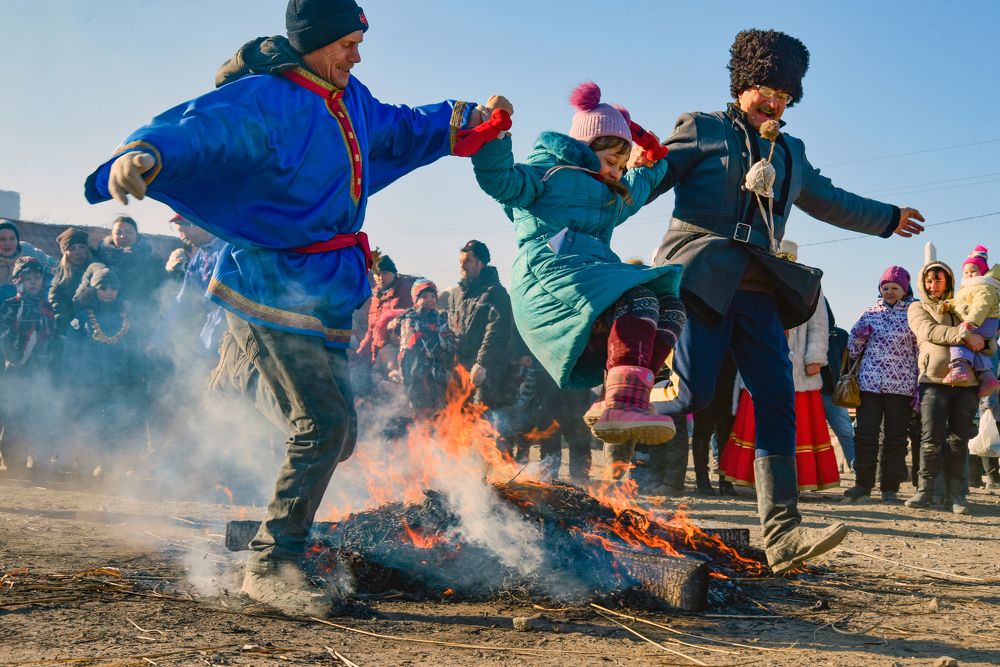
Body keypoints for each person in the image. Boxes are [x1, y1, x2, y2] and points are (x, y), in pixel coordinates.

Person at [83, 0, 509, 616]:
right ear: (311, 42)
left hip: (325, 292)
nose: (356, 55)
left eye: (359, 43)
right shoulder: (265, 97)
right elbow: (199, 126)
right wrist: (145, 153)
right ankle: (273, 561)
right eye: (345, 44)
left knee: (341, 435)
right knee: (322, 424)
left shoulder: (353, 99)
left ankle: (237, 379)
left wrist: (470, 115)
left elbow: (406, 125)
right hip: (265, 287)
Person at [645, 29, 925, 574]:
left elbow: (830, 199)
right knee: (692, 394)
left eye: (785, 95)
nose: (775, 102)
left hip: (759, 290)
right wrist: (600, 193)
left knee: (777, 400)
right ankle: (637, 502)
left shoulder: (791, 151)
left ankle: (782, 535)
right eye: (766, 90)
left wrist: (887, 218)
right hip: (701, 278)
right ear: (742, 85)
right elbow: (647, 175)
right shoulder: (700, 128)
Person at [471, 81, 685, 446]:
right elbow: (500, 180)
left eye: (622, 164)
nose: (617, 172)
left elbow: (641, 185)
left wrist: (648, 164)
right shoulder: (546, 174)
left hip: (588, 275)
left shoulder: (610, 197)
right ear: (585, 148)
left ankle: (623, 398)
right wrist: (495, 130)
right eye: (610, 162)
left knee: (670, 307)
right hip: (548, 272)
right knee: (639, 299)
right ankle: (622, 401)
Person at [719, 241, 839, 493]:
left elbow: (819, 325)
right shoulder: (758, 280)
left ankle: (793, 483)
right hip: (759, 363)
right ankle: (756, 483)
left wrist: (815, 357)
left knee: (798, 427)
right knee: (756, 420)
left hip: (799, 373)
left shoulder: (808, 285)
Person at [905, 244, 993, 514]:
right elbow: (929, 331)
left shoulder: (963, 305)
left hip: (966, 384)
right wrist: (965, 335)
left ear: (949, 281)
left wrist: (986, 343)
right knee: (931, 438)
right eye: (929, 279)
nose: (934, 284)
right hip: (933, 380)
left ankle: (956, 496)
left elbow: (987, 339)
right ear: (923, 282)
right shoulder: (917, 307)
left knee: (958, 440)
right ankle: (925, 491)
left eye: (939, 279)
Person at [841, 266, 919, 503]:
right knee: (865, 435)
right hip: (870, 385)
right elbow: (853, 351)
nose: (889, 292)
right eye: (885, 288)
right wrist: (858, 336)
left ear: (904, 289)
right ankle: (862, 485)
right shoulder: (869, 312)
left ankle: (889, 488)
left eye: (895, 287)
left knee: (895, 437)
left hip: (902, 386)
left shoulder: (915, 312)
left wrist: (919, 384)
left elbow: (920, 349)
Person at [64, 265, 144, 476]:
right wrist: (74, 378)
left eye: (113, 287)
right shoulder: (82, 318)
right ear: (93, 289)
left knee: (117, 423)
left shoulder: (127, 318)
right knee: (90, 422)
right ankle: (87, 462)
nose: (108, 291)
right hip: (89, 382)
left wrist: (136, 378)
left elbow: (136, 353)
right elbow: (70, 352)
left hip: (119, 381)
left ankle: (110, 465)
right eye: (103, 286)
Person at [0, 257, 59, 470]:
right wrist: (15, 357)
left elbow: (54, 338)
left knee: (40, 416)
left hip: (43, 370)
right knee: (15, 416)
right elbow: (3, 336)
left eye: (37, 278)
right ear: (19, 280)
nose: (33, 282)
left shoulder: (50, 307)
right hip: (17, 370)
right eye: (28, 278)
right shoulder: (11, 306)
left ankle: (41, 461)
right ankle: (13, 462)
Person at [940, 245, 1000, 396]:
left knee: (960, 338)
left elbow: (981, 306)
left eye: (973, 271)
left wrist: (971, 323)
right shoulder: (969, 287)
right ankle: (987, 377)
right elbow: (960, 302)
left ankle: (960, 368)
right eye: (966, 272)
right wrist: (948, 304)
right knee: (976, 348)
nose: (969, 275)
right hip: (984, 323)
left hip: (984, 321)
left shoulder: (984, 286)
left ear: (983, 272)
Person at [397, 279, 455, 417]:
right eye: (424, 296)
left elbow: (449, 343)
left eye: (433, 296)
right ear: (415, 299)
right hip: (416, 371)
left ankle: (438, 435)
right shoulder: (409, 319)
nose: (430, 299)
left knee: (439, 408)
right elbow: (408, 347)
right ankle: (421, 435)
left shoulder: (441, 319)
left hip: (438, 371)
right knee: (419, 407)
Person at [819, 298, 856, 472]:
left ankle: (859, 474)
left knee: (846, 433)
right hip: (805, 392)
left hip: (833, 393)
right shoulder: (799, 333)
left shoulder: (840, 335)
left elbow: (850, 363)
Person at [357, 254, 416, 365]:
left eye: (385, 273)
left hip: (397, 354)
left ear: (394, 274)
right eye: (377, 274)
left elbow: (407, 327)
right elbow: (371, 330)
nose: (381, 277)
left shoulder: (405, 292)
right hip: (378, 352)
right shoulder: (376, 297)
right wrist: (360, 352)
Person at [49, 228, 97, 334]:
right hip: (71, 323)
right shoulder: (60, 276)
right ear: (65, 253)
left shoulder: (98, 271)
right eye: (72, 248)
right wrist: (62, 317)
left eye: (82, 247)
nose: (78, 252)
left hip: (95, 322)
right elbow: (56, 300)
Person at [0, 220, 56, 303]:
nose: (8, 243)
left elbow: (50, 270)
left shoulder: (29, 252)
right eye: (2, 239)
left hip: (30, 303)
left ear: (17, 240)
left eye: (12, 238)